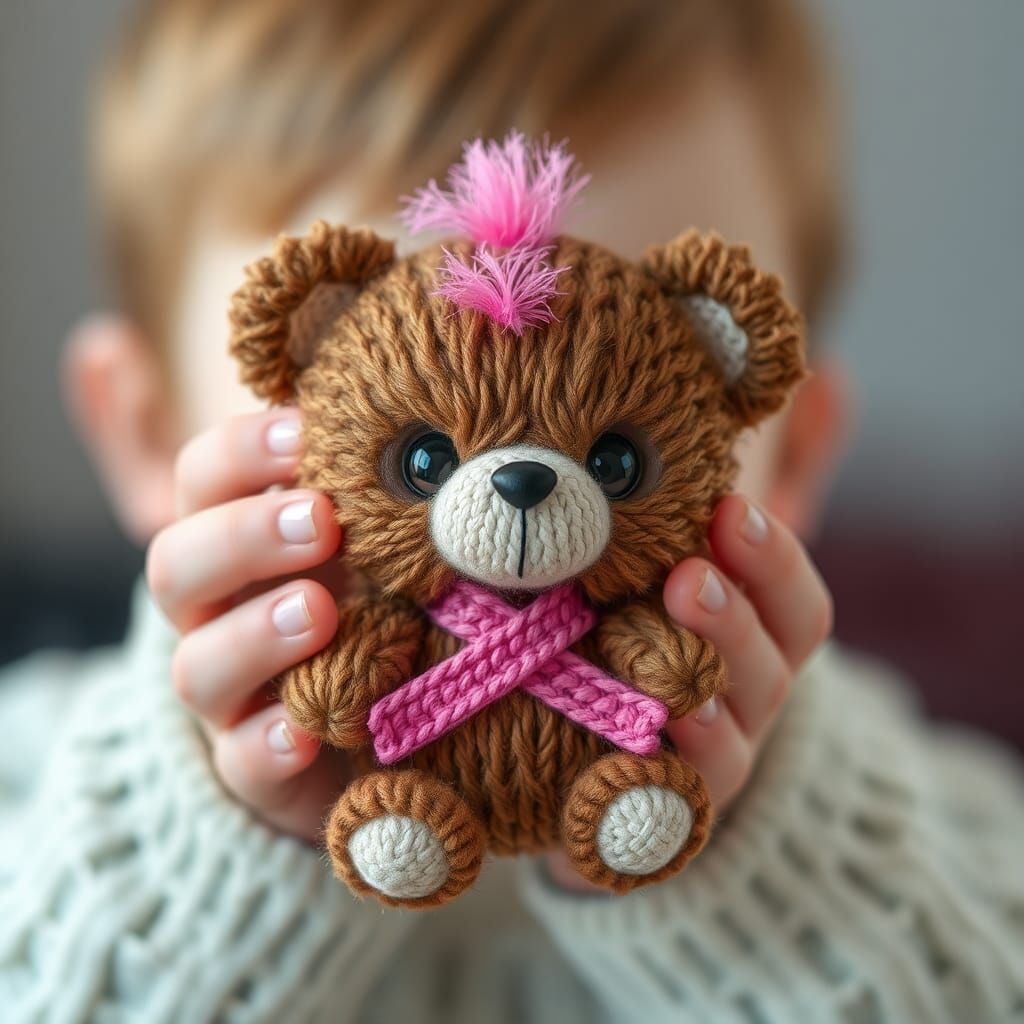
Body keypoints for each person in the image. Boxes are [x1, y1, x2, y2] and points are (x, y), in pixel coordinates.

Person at [2, 1, 1021, 1021]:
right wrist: (208, 860)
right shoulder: (34, 782)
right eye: (417, 453)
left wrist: (764, 865)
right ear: (148, 431)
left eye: (615, 453)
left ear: (791, 452)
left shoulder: (928, 836)